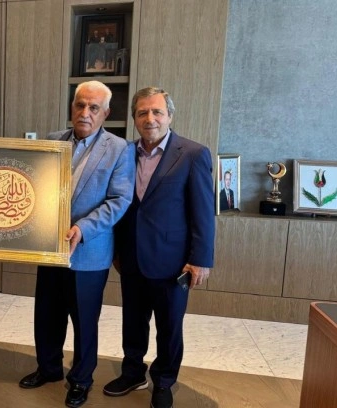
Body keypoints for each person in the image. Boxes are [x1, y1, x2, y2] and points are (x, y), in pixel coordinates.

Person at [18, 81, 135, 408]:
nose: (85, 113)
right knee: (47, 315)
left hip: (88, 252)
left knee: (84, 322)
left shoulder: (120, 149)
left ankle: (81, 380)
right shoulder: (54, 140)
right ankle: (48, 368)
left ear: (106, 113)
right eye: (80, 105)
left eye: (93, 108)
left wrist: (82, 228)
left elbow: (119, 200)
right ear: (72, 107)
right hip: (49, 249)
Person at [104, 87, 215, 408]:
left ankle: (164, 380)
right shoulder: (124, 153)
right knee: (132, 322)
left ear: (170, 116)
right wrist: (115, 251)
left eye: (157, 112)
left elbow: (203, 212)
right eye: (142, 113)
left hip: (173, 262)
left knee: (169, 327)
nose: (149, 118)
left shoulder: (192, 154)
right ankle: (132, 373)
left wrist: (201, 259)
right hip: (131, 258)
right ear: (134, 118)